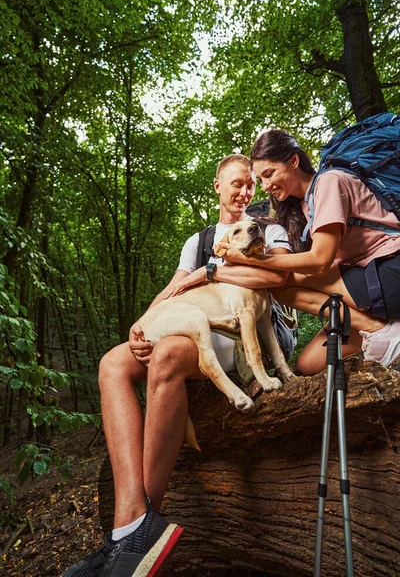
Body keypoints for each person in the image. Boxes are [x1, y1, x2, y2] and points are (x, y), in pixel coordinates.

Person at [62, 154, 293, 577]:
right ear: (218, 186)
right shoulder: (199, 239)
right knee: (112, 363)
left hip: (245, 333)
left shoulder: (267, 228)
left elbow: (277, 279)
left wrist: (210, 271)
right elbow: (174, 289)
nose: (245, 192)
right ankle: (128, 530)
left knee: (167, 355)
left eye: (250, 185)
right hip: (198, 325)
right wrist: (141, 323)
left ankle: (134, 532)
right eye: (237, 184)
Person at [213, 130, 400, 376]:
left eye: (269, 174)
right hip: (366, 278)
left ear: (293, 161)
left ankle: (381, 331)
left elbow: (320, 262)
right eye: (261, 179)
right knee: (308, 364)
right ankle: (377, 328)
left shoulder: (329, 182)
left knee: (282, 283)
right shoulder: (304, 205)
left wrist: (252, 258)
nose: (266, 186)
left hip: (390, 271)